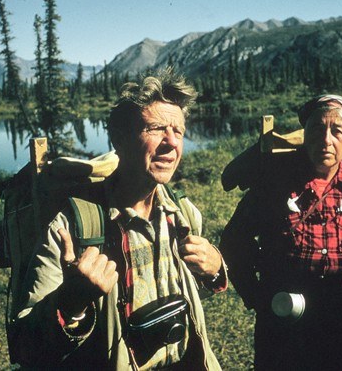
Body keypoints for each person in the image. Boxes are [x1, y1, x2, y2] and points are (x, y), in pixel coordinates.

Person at [12, 70, 227, 369]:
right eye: (156, 128)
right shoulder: (70, 228)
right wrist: (71, 302)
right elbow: (26, 345)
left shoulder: (183, 214)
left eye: (178, 131)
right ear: (119, 138)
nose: (171, 142)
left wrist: (214, 270)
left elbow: (186, 291)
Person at [220, 94, 342, 371]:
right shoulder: (275, 186)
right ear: (305, 135)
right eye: (317, 128)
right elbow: (234, 241)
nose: (326, 139)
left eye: (337, 131)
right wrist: (257, 297)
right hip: (287, 322)